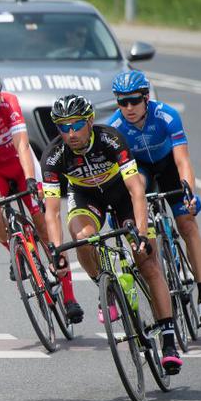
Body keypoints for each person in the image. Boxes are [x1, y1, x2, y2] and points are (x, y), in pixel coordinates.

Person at [42, 95, 183, 374]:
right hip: (86, 196)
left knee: (147, 262)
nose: (71, 133)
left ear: (90, 121)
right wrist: (56, 250)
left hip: (122, 196)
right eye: (63, 127)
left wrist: (140, 234)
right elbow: (52, 211)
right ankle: (104, 285)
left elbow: (136, 190)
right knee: (82, 237)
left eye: (77, 124)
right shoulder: (54, 155)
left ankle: (168, 339)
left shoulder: (111, 139)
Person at [0, 69, 83, 323]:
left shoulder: (10, 104)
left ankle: (69, 297)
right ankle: (17, 253)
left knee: (44, 225)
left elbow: (22, 145)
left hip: (21, 165)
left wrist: (32, 180)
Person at [108, 70, 201, 326]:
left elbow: (183, 161)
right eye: (122, 102)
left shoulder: (166, 115)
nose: (129, 108)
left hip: (168, 166)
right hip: (141, 169)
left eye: (134, 100)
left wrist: (189, 193)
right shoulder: (115, 128)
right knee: (138, 189)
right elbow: (121, 177)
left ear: (146, 98)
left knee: (187, 224)